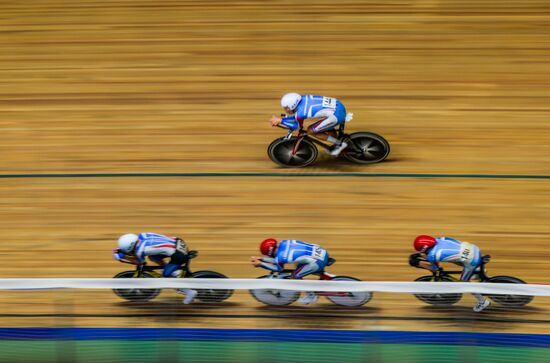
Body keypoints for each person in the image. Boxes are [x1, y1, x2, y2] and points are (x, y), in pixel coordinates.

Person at [410, 235, 490, 312]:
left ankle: (482, 302)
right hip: (473, 248)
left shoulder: (433, 255)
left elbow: (435, 269)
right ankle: (478, 271)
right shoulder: (439, 239)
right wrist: (422, 255)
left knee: (464, 284)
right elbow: (434, 254)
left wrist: (418, 263)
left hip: (472, 259)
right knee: (455, 258)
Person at [113, 232, 197, 304]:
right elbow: (134, 250)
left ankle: (189, 292)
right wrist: (122, 250)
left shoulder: (140, 251)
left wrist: (124, 256)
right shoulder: (142, 235)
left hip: (179, 254)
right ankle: (170, 268)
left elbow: (140, 262)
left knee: (166, 275)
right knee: (153, 257)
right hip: (178, 242)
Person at [269, 93, 353, 157]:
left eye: (286, 107)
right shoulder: (303, 98)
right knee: (323, 127)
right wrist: (282, 120)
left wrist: (281, 120)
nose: (285, 110)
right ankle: (338, 144)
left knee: (311, 130)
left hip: (336, 115)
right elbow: (296, 117)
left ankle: (340, 144)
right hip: (338, 106)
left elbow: (296, 126)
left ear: (293, 104)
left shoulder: (301, 113)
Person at [250, 238, 330, 305]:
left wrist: (261, 264)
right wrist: (261, 259)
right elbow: (277, 259)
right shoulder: (284, 242)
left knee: (295, 275)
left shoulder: (280, 257)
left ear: (269, 253)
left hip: (318, 261)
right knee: (300, 263)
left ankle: (311, 295)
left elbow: (278, 269)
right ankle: (327, 276)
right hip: (321, 251)